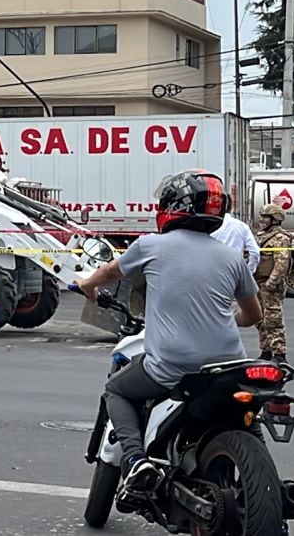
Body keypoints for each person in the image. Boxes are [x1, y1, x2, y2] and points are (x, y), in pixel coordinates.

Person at [73, 169, 261, 501]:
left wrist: (87, 286)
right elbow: (253, 315)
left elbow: (109, 272)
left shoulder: (151, 245)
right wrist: (228, 318)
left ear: (171, 207)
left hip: (174, 367)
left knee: (116, 390)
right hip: (231, 365)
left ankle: (135, 460)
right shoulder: (233, 257)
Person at [254, 203, 292, 362]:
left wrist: (271, 283)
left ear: (275, 219)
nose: (262, 220)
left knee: (273, 320)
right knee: (261, 320)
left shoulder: (280, 239)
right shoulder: (261, 236)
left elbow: (281, 263)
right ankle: (266, 350)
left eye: (265, 217)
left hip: (270, 286)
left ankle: (280, 353)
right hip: (259, 283)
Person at [212, 197, 261, 273]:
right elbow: (255, 253)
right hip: (235, 272)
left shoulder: (207, 226)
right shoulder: (242, 226)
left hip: (213, 272)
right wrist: (249, 273)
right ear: (231, 207)